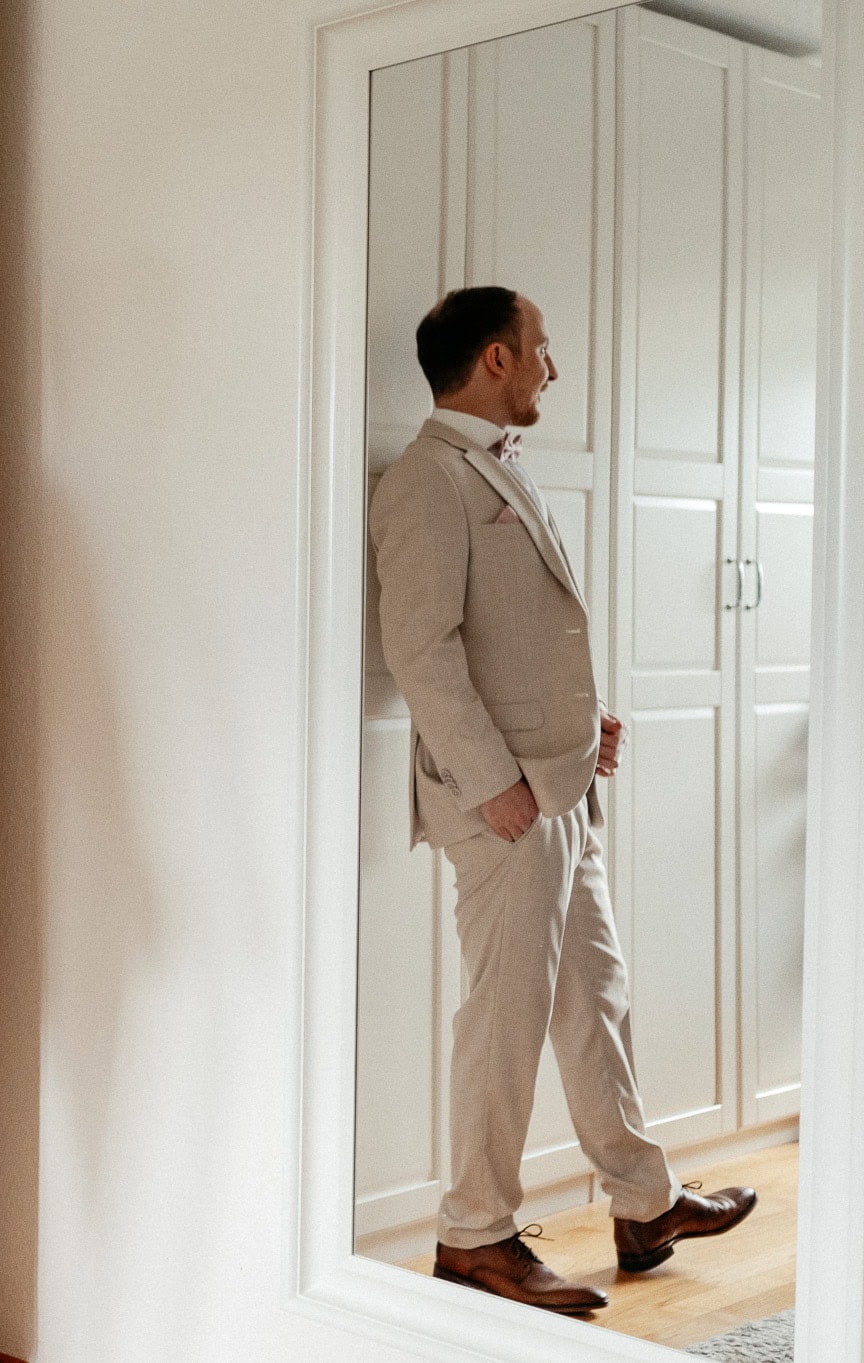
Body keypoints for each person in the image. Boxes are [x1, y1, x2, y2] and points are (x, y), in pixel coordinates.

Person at [369, 286, 753, 1314]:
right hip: (503, 801)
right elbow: (421, 649)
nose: (552, 364)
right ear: (495, 358)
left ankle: (643, 1202)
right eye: (540, 347)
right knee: (505, 1018)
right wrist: (494, 781)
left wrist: (585, 726)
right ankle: (473, 1235)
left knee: (595, 996)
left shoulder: (502, 466)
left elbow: (519, 635)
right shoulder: (425, 480)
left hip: (557, 785)